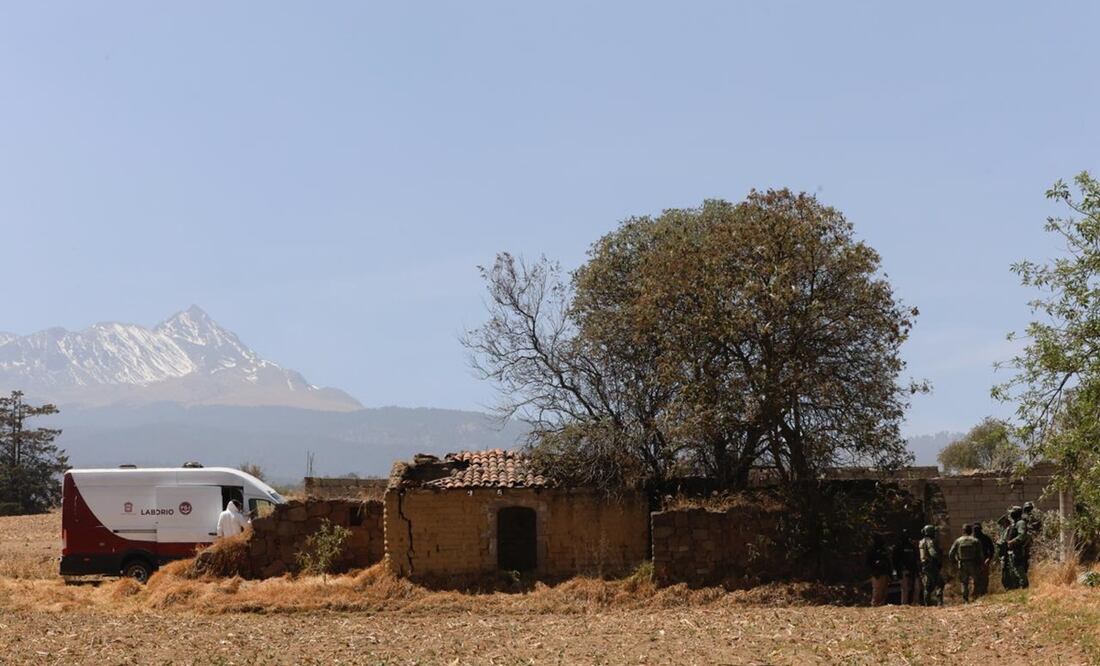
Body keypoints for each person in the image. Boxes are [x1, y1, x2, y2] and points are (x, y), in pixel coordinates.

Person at [948, 524, 983, 602]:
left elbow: (951, 553)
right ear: (971, 531)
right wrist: (981, 564)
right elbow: (980, 554)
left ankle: (966, 600)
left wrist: (954, 561)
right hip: (973, 563)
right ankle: (974, 597)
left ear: (963, 531)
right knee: (976, 580)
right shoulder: (975, 540)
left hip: (962, 564)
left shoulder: (958, 540)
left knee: (964, 582)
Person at [891, 530, 921, 605]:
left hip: (913, 570)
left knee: (916, 587)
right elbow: (895, 560)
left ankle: (915, 602)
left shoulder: (911, 546)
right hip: (903, 570)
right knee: (905, 588)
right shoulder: (898, 547)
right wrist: (898, 571)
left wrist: (916, 569)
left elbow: (915, 558)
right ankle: (904, 604)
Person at [918, 524, 944, 606]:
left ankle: (927, 604)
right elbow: (933, 553)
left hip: (924, 565)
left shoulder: (921, 542)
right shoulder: (930, 541)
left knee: (927, 586)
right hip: (931, 564)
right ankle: (939, 602)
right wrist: (938, 560)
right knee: (940, 583)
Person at [1008, 505, 1031, 589]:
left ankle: (1024, 585)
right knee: (1015, 568)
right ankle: (1020, 585)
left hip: (1018, 550)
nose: (1011, 514)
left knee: (1019, 567)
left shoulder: (1020, 523)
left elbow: (1022, 535)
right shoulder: (1015, 523)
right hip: (1014, 550)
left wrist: (1012, 541)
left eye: (1012, 512)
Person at [866, 533, 892, 606]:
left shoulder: (884, 549)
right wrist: (873, 571)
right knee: (877, 591)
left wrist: (890, 573)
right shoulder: (872, 550)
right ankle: (874, 605)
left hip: (884, 572)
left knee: (884, 591)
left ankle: (881, 605)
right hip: (877, 573)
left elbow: (888, 561)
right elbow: (868, 562)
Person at [972, 522, 995, 598]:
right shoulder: (971, 539)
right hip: (974, 561)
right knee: (975, 578)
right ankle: (976, 594)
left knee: (984, 578)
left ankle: (983, 593)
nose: (976, 531)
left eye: (977, 529)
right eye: (975, 529)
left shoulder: (985, 538)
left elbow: (991, 549)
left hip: (984, 560)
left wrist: (989, 558)